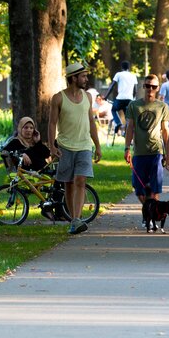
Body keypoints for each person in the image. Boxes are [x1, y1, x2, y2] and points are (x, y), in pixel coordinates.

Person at [49, 61, 103, 235]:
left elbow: (91, 122)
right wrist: (51, 146)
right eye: (83, 76)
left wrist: (98, 145)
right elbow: (52, 123)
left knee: (80, 180)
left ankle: (77, 219)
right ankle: (74, 220)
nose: (86, 79)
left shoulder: (88, 97)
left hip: (84, 146)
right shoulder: (58, 98)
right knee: (69, 184)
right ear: (73, 78)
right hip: (65, 146)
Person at [125, 74, 169, 211]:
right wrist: (127, 148)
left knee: (155, 187)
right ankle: (148, 209)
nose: (150, 89)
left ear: (158, 88)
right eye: (147, 86)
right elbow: (130, 128)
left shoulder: (162, 107)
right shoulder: (134, 105)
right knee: (138, 188)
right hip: (139, 152)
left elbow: (165, 131)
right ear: (143, 86)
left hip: (156, 152)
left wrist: (167, 155)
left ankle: (152, 214)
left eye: (153, 87)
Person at [108, 60, 139, 134]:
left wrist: (106, 96)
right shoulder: (133, 76)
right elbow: (136, 90)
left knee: (113, 109)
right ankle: (128, 131)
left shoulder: (118, 74)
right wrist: (133, 99)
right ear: (129, 67)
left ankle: (118, 122)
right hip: (129, 99)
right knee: (127, 116)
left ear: (121, 67)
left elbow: (112, 86)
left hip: (120, 98)